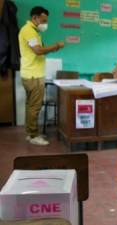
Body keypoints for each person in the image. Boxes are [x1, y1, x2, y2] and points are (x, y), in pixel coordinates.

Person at [18, 6, 64, 146]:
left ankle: (30, 132)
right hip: (33, 75)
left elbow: (39, 51)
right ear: (35, 18)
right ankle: (33, 135)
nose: (45, 24)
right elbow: (38, 51)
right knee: (35, 106)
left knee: (30, 105)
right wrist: (55, 46)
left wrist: (49, 49)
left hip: (31, 73)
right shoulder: (28, 31)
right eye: (43, 20)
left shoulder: (33, 31)